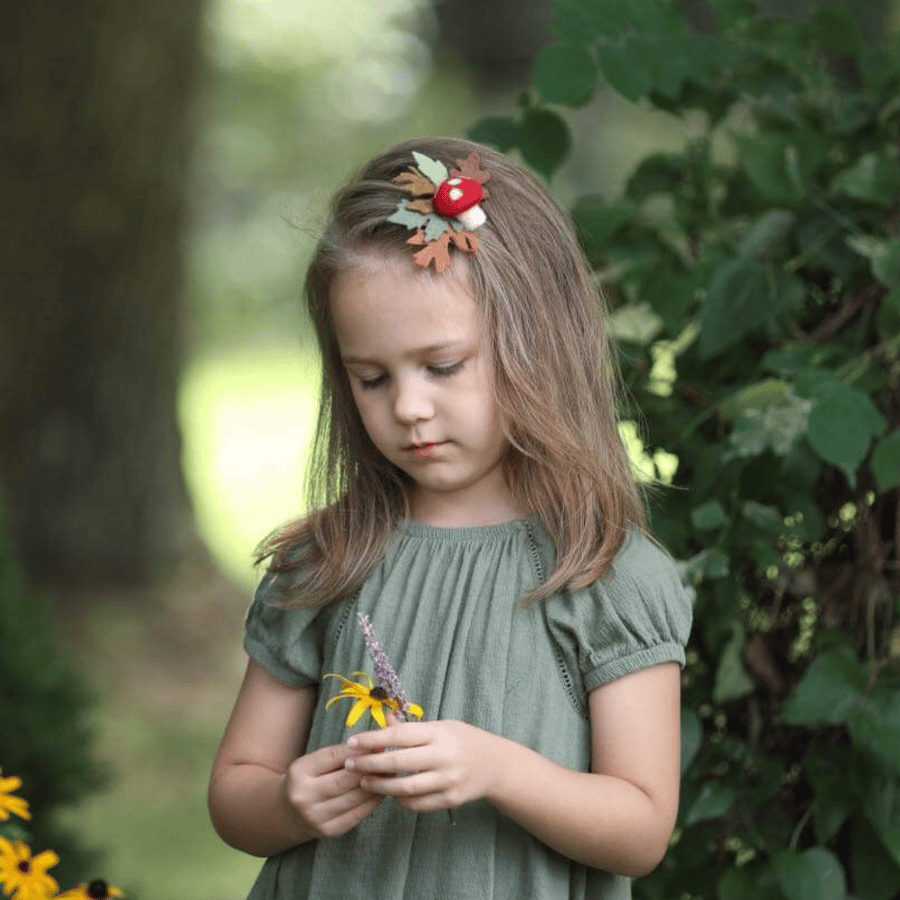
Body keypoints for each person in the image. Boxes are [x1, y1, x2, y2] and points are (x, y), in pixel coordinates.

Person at [208, 136, 693, 900]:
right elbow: (237, 794)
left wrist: (499, 769)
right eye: (371, 378)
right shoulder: (329, 563)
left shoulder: (605, 574)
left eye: (442, 366)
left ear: (536, 343)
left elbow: (639, 831)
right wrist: (287, 803)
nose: (408, 407)